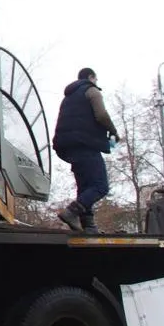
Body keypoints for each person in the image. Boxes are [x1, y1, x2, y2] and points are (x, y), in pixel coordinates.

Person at [52, 67, 118, 233]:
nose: (96, 82)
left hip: (68, 147)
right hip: (85, 144)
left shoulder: (67, 98)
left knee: (85, 186)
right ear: (91, 77)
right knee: (100, 186)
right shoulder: (91, 90)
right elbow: (102, 115)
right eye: (96, 79)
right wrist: (114, 131)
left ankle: (88, 226)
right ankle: (71, 212)